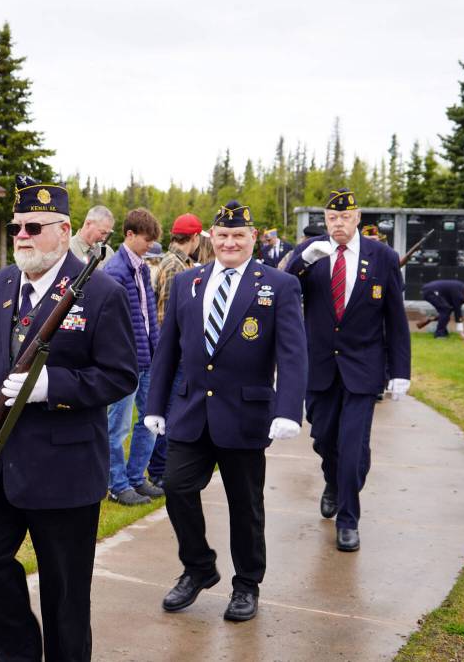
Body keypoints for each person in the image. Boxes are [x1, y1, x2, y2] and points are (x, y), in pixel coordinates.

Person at [0, 175, 137, 661]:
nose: (22, 236)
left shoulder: (100, 292)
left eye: (34, 226)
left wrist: (55, 386)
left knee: (66, 596)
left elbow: (120, 376)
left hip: (66, 471)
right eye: (16, 227)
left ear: (64, 228)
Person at [144, 200, 307, 622]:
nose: (230, 242)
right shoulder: (188, 283)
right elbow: (168, 350)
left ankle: (247, 584)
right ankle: (198, 567)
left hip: (246, 414)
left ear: (253, 238)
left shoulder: (279, 285)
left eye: (239, 235)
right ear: (208, 239)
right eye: (222, 235)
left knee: (245, 506)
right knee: (176, 487)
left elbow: (292, 354)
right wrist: (155, 404)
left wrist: (289, 409)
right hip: (192, 410)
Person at [285, 188, 411, 552]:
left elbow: (394, 317)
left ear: (358, 219)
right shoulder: (312, 253)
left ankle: (348, 518)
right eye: (332, 218)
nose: (338, 224)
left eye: (345, 217)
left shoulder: (382, 257)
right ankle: (334, 481)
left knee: (353, 447)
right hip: (320, 365)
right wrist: (303, 260)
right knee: (324, 439)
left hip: (363, 367)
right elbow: (285, 288)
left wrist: (400, 369)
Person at [102, 208, 163, 506]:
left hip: (148, 358)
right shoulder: (115, 270)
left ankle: (137, 477)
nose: (150, 244)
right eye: (146, 239)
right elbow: (115, 322)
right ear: (129, 235)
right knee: (119, 425)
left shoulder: (142, 268)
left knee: (150, 420)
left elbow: (148, 316)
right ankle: (117, 484)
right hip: (126, 362)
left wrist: (158, 348)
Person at [146, 212, 202, 488]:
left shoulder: (181, 264)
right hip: (175, 352)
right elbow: (165, 315)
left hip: (177, 351)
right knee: (168, 412)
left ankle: (161, 467)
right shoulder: (174, 267)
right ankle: (158, 469)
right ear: (193, 238)